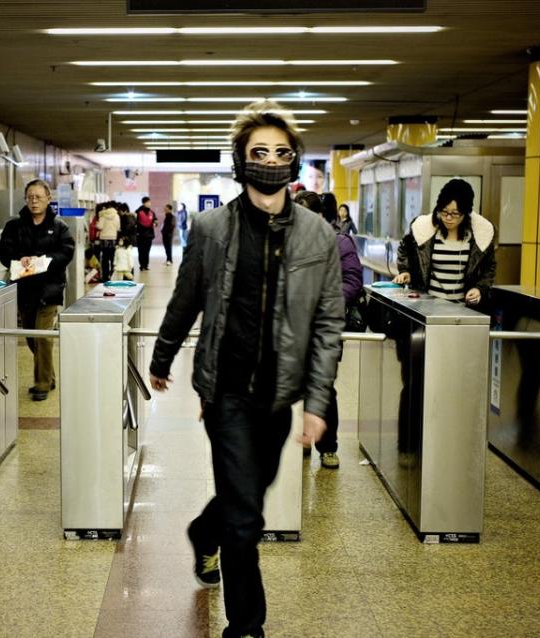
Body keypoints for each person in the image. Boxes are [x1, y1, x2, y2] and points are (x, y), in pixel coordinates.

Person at [149, 100, 345, 638]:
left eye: (282, 153)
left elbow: (329, 325)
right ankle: (247, 626)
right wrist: (163, 355)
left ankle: (201, 531)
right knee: (246, 521)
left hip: (277, 399)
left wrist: (319, 404)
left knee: (246, 499)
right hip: (226, 392)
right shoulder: (213, 228)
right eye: (259, 152)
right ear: (241, 160)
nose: (271, 161)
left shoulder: (318, 236)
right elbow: (186, 298)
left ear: (296, 162)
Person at [293, 190, 363, 469]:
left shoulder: (339, 243)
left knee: (323, 386)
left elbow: (353, 280)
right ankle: (305, 438)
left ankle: (328, 447)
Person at [0, 180, 75, 401]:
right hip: (24, 289)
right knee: (32, 336)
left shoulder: (60, 227)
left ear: (48, 198)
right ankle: (49, 376)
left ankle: (41, 383)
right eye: (30, 197)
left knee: (43, 337)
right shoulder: (14, 226)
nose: (34, 201)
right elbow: (3, 250)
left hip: (49, 289)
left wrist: (43, 262)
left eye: (38, 197)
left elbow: (67, 252)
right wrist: (18, 259)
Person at [393, 178, 496, 307]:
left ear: (466, 213)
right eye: (444, 211)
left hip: (463, 311)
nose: (448, 218)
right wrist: (405, 271)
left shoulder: (480, 236)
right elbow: (404, 250)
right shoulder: (424, 230)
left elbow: (489, 268)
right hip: (427, 308)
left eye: (455, 213)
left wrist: (479, 289)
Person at [96, 202, 120, 282]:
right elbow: (118, 227)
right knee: (113, 257)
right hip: (113, 238)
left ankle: (105, 277)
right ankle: (113, 275)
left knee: (105, 259)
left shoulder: (103, 216)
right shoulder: (116, 216)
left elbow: (100, 226)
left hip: (104, 239)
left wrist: (97, 224)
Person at [135, 196, 157, 271]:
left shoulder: (152, 212)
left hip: (149, 235)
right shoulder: (138, 212)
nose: (149, 204)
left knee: (147, 251)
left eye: (150, 202)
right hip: (140, 235)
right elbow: (135, 222)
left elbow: (155, 220)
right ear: (144, 203)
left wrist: (155, 223)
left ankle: (146, 265)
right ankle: (141, 265)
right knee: (141, 251)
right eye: (148, 202)